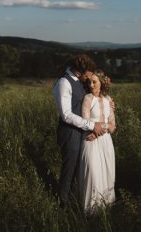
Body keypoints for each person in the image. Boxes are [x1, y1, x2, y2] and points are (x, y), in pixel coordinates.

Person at [53, 55, 106, 208]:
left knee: (79, 168)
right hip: (69, 132)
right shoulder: (64, 83)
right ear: (79, 72)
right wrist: (92, 126)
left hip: (80, 131)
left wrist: (108, 104)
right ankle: (62, 204)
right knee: (69, 168)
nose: (89, 78)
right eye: (87, 75)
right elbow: (66, 115)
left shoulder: (79, 81)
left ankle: (75, 199)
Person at [78, 69, 116, 213]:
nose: (91, 85)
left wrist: (101, 130)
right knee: (92, 174)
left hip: (105, 141)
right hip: (90, 141)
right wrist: (96, 130)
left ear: (102, 82)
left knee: (107, 173)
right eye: (89, 82)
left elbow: (113, 126)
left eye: (94, 82)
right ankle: (89, 211)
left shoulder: (109, 100)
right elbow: (85, 121)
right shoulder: (87, 98)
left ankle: (106, 207)